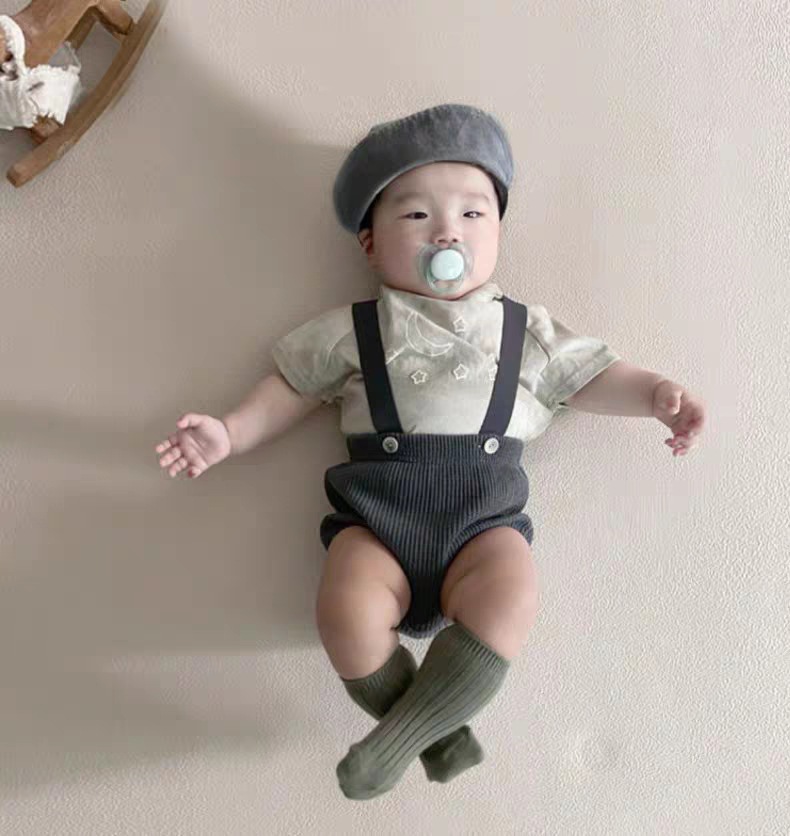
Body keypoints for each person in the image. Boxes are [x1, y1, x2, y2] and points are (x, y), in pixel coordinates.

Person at [155, 104, 706, 801]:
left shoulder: (524, 331)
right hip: (376, 523)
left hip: (482, 523)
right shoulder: (355, 329)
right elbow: (291, 386)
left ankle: (402, 739)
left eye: (473, 214)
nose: (448, 231)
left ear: (498, 230)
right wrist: (231, 431)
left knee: (512, 597)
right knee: (344, 614)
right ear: (369, 243)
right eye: (417, 215)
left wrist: (655, 394)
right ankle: (431, 734)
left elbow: (590, 375)